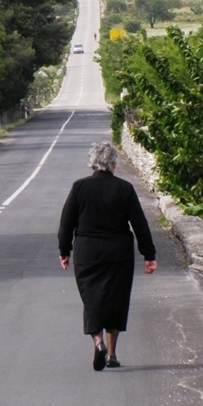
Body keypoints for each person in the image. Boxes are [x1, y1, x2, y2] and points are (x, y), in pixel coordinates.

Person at [58, 141, 157, 371]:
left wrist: (64, 251)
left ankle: (98, 342)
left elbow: (66, 224)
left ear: (93, 163)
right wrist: (149, 254)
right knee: (116, 301)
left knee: (92, 301)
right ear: (113, 164)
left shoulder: (79, 187)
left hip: (87, 254)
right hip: (118, 254)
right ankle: (112, 354)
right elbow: (140, 224)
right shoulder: (125, 188)